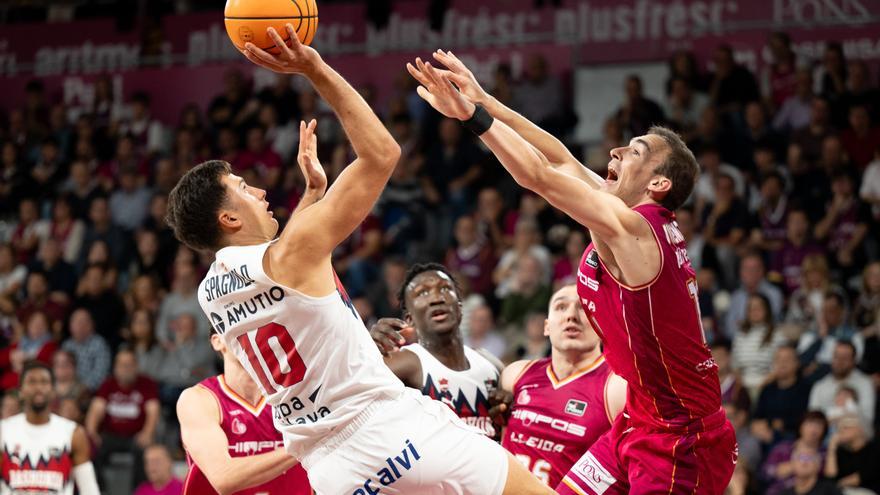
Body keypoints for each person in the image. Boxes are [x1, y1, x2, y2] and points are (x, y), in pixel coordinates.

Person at [166, 27, 551, 495]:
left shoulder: (211, 292)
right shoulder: (292, 253)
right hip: (393, 433)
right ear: (228, 217)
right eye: (245, 190)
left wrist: (312, 195)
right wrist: (314, 68)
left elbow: (286, 279)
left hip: (333, 471)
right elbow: (382, 154)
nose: (261, 192)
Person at [408, 49, 736, 494]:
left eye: (635, 151)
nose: (617, 149)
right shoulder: (618, 215)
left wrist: (472, 118)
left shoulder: (638, 230)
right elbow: (559, 158)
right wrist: (485, 99)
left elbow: (539, 175)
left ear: (658, 185)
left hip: (682, 438)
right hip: (640, 418)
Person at [500, 284, 626, 487]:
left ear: (602, 324)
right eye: (561, 307)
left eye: (584, 308)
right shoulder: (515, 375)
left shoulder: (617, 388)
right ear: (546, 326)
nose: (571, 316)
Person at [369, 263, 505, 439]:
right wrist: (368, 350)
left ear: (460, 308)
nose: (436, 298)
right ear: (409, 319)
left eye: (445, 289)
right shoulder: (404, 362)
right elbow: (347, 393)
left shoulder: (490, 364)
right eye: (422, 293)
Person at [178, 326, 310, 494]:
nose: (251, 337)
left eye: (256, 329)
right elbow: (224, 477)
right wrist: (305, 443)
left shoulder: (292, 394)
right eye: (240, 329)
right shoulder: (199, 399)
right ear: (218, 342)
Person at [0, 361, 99, 494]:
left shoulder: (73, 433)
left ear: (53, 391)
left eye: (44, 382)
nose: (38, 387)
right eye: (32, 382)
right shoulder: (3, 430)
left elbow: (90, 490)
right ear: (21, 391)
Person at [84, 348, 160, 492]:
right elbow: (95, 410)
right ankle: (99, 490)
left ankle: (139, 491)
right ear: (115, 367)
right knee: (91, 449)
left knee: (143, 451)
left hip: (136, 435)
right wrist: (92, 433)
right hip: (111, 435)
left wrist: (148, 432)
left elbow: (153, 411)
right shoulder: (108, 384)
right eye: (122, 365)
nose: (126, 368)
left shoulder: (147, 383)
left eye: (129, 364)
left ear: (136, 366)